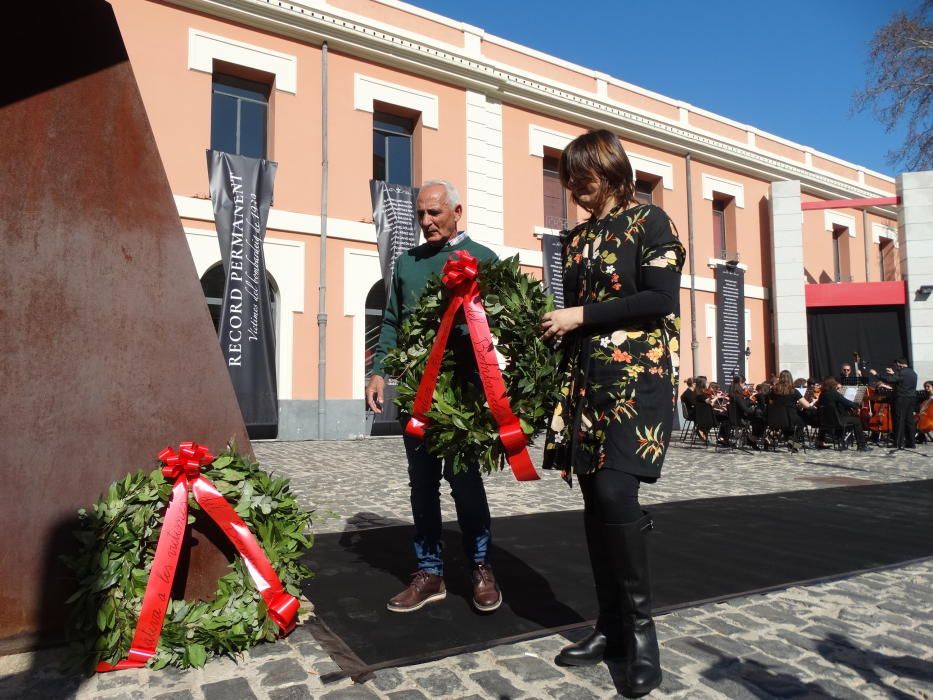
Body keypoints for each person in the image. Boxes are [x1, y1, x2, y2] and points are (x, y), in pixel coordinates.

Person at [539, 129, 684, 696]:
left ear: (611, 170)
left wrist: (577, 315)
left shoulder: (652, 223)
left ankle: (641, 634)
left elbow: (658, 299)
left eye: (584, 178)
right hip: (585, 384)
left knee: (617, 495)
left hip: (636, 381)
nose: (575, 189)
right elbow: (575, 315)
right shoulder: (574, 239)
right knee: (595, 502)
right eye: (569, 180)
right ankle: (609, 628)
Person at [366, 179, 502, 614]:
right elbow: (392, 321)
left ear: (457, 212)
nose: (426, 222)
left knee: (465, 483)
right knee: (421, 485)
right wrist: (378, 371)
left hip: (463, 398)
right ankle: (430, 572)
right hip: (416, 397)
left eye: (434, 213)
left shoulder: (484, 260)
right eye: (420, 214)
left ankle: (480, 566)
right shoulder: (407, 264)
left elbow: (509, 323)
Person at [876, 358, 918, 449]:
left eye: (896, 365)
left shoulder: (902, 372)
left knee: (899, 420)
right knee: (909, 420)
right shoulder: (913, 373)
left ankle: (898, 443)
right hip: (911, 398)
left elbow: (890, 380)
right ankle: (911, 443)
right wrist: (893, 373)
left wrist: (877, 375)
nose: (896, 367)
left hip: (902, 398)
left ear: (899, 364)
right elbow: (900, 381)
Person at [819, 377, 870, 451]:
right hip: (836, 421)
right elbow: (846, 402)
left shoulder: (822, 395)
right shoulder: (834, 393)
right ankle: (862, 445)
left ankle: (842, 442)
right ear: (832, 385)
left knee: (844, 417)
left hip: (825, 422)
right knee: (856, 421)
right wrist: (856, 406)